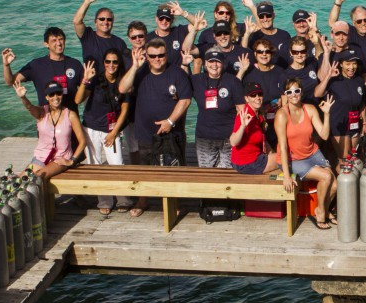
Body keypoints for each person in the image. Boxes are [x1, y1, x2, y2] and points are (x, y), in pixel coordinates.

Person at [118, 38, 193, 215]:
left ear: (166, 54)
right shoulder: (140, 72)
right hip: (145, 132)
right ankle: (143, 201)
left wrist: (170, 121)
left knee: (175, 168)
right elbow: (122, 88)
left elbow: (185, 100)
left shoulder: (177, 73)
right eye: (153, 56)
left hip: (172, 134)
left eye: (161, 55)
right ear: (147, 56)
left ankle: (177, 202)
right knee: (145, 168)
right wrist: (135, 67)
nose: (157, 59)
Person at [275, 80, 337, 228]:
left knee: (335, 184)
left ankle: (323, 209)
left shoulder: (309, 109)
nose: (293, 94)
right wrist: (287, 176)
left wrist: (327, 115)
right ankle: (320, 212)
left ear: (301, 92)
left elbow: (324, 135)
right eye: (289, 92)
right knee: (326, 176)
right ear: (285, 95)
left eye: (296, 91)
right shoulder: (282, 114)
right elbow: (283, 147)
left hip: (312, 152)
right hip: (293, 159)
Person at [74, 50, 130, 213]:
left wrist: (114, 133)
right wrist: (85, 81)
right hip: (91, 128)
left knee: (117, 164)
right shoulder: (95, 80)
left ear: (119, 64)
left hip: (111, 130)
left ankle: (123, 199)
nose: (111, 65)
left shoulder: (122, 82)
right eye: (107, 61)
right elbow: (78, 100)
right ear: (103, 63)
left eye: (114, 62)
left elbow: (125, 109)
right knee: (95, 164)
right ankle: (104, 201)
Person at [13, 81, 86, 179]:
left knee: (38, 177)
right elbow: (30, 107)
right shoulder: (42, 113)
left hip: (60, 158)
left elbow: (82, 141)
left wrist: (71, 161)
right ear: (47, 97)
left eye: (58, 93)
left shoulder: (70, 115)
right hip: (41, 156)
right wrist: (23, 97)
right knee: (22, 179)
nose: (55, 97)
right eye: (51, 94)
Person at [2, 26, 84, 109]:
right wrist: (6, 65)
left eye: (61, 39)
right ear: (46, 44)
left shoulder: (75, 64)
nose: (59, 43)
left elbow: (85, 91)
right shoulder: (36, 65)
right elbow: (11, 82)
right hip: (46, 118)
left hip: (71, 118)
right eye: (54, 40)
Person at [190, 49, 244, 168]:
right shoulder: (197, 80)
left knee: (227, 174)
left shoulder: (233, 81)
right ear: (205, 63)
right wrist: (184, 64)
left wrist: (239, 133)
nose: (214, 64)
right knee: (206, 174)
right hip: (204, 137)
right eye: (211, 61)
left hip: (228, 137)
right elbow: (182, 84)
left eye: (218, 61)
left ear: (223, 64)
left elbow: (241, 109)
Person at [315, 49, 366, 159]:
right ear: (341, 64)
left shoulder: (359, 80)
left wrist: (365, 123)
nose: (351, 67)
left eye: (354, 63)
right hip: (339, 125)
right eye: (347, 64)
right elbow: (317, 94)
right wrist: (328, 76)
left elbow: (362, 103)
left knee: (353, 157)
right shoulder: (334, 80)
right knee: (345, 159)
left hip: (355, 125)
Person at [72, 0, 127, 71]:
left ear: (112, 22)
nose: (105, 22)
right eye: (101, 19)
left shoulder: (119, 43)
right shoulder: (88, 36)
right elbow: (76, 21)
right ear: (95, 22)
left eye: (109, 19)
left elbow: (123, 66)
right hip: (91, 82)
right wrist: (87, 2)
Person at [229, 81, 279, 174]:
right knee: (286, 158)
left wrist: (272, 153)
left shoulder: (258, 115)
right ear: (246, 98)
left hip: (251, 159)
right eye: (253, 95)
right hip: (247, 163)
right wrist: (242, 126)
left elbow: (264, 141)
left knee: (280, 161)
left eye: (260, 94)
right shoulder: (245, 115)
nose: (257, 98)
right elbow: (233, 142)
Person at [240, 0, 293, 65]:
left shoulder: (285, 35)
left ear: (273, 15)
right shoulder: (255, 36)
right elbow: (243, 52)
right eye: (261, 16)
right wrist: (247, 34)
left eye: (268, 16)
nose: (265, 19)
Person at [284, 35, 325, 104]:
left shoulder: (311, 63)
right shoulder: (286, 75)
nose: (299, 55)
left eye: (303, 51)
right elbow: (285, 102)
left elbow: (320, 56)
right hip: (303, 111)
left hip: (319, 107)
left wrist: (317, 43)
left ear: (306, 51)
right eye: (295, 52)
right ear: (291, 52)